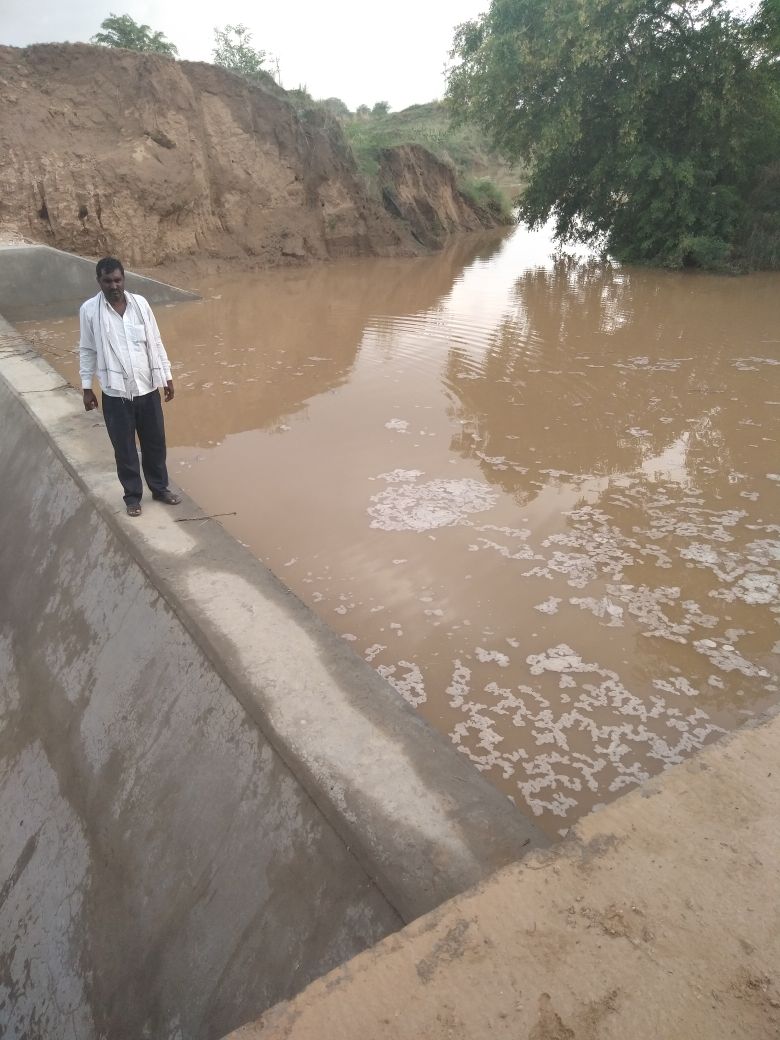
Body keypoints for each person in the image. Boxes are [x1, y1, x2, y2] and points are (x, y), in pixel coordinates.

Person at [80, 257, 182, 517]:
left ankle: (159, 489)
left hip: (147, 388)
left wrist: (166, 376)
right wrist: (86, 387)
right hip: (116, 394)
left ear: (124, 278)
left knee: (155, 443)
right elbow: (87, 349)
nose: (114, 285)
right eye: (107, 280)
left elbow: (155, 341)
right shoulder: (90, 310)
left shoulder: (141, 305)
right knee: (124, 448)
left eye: (117, 279)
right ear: (99, 281)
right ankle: (132, 497)